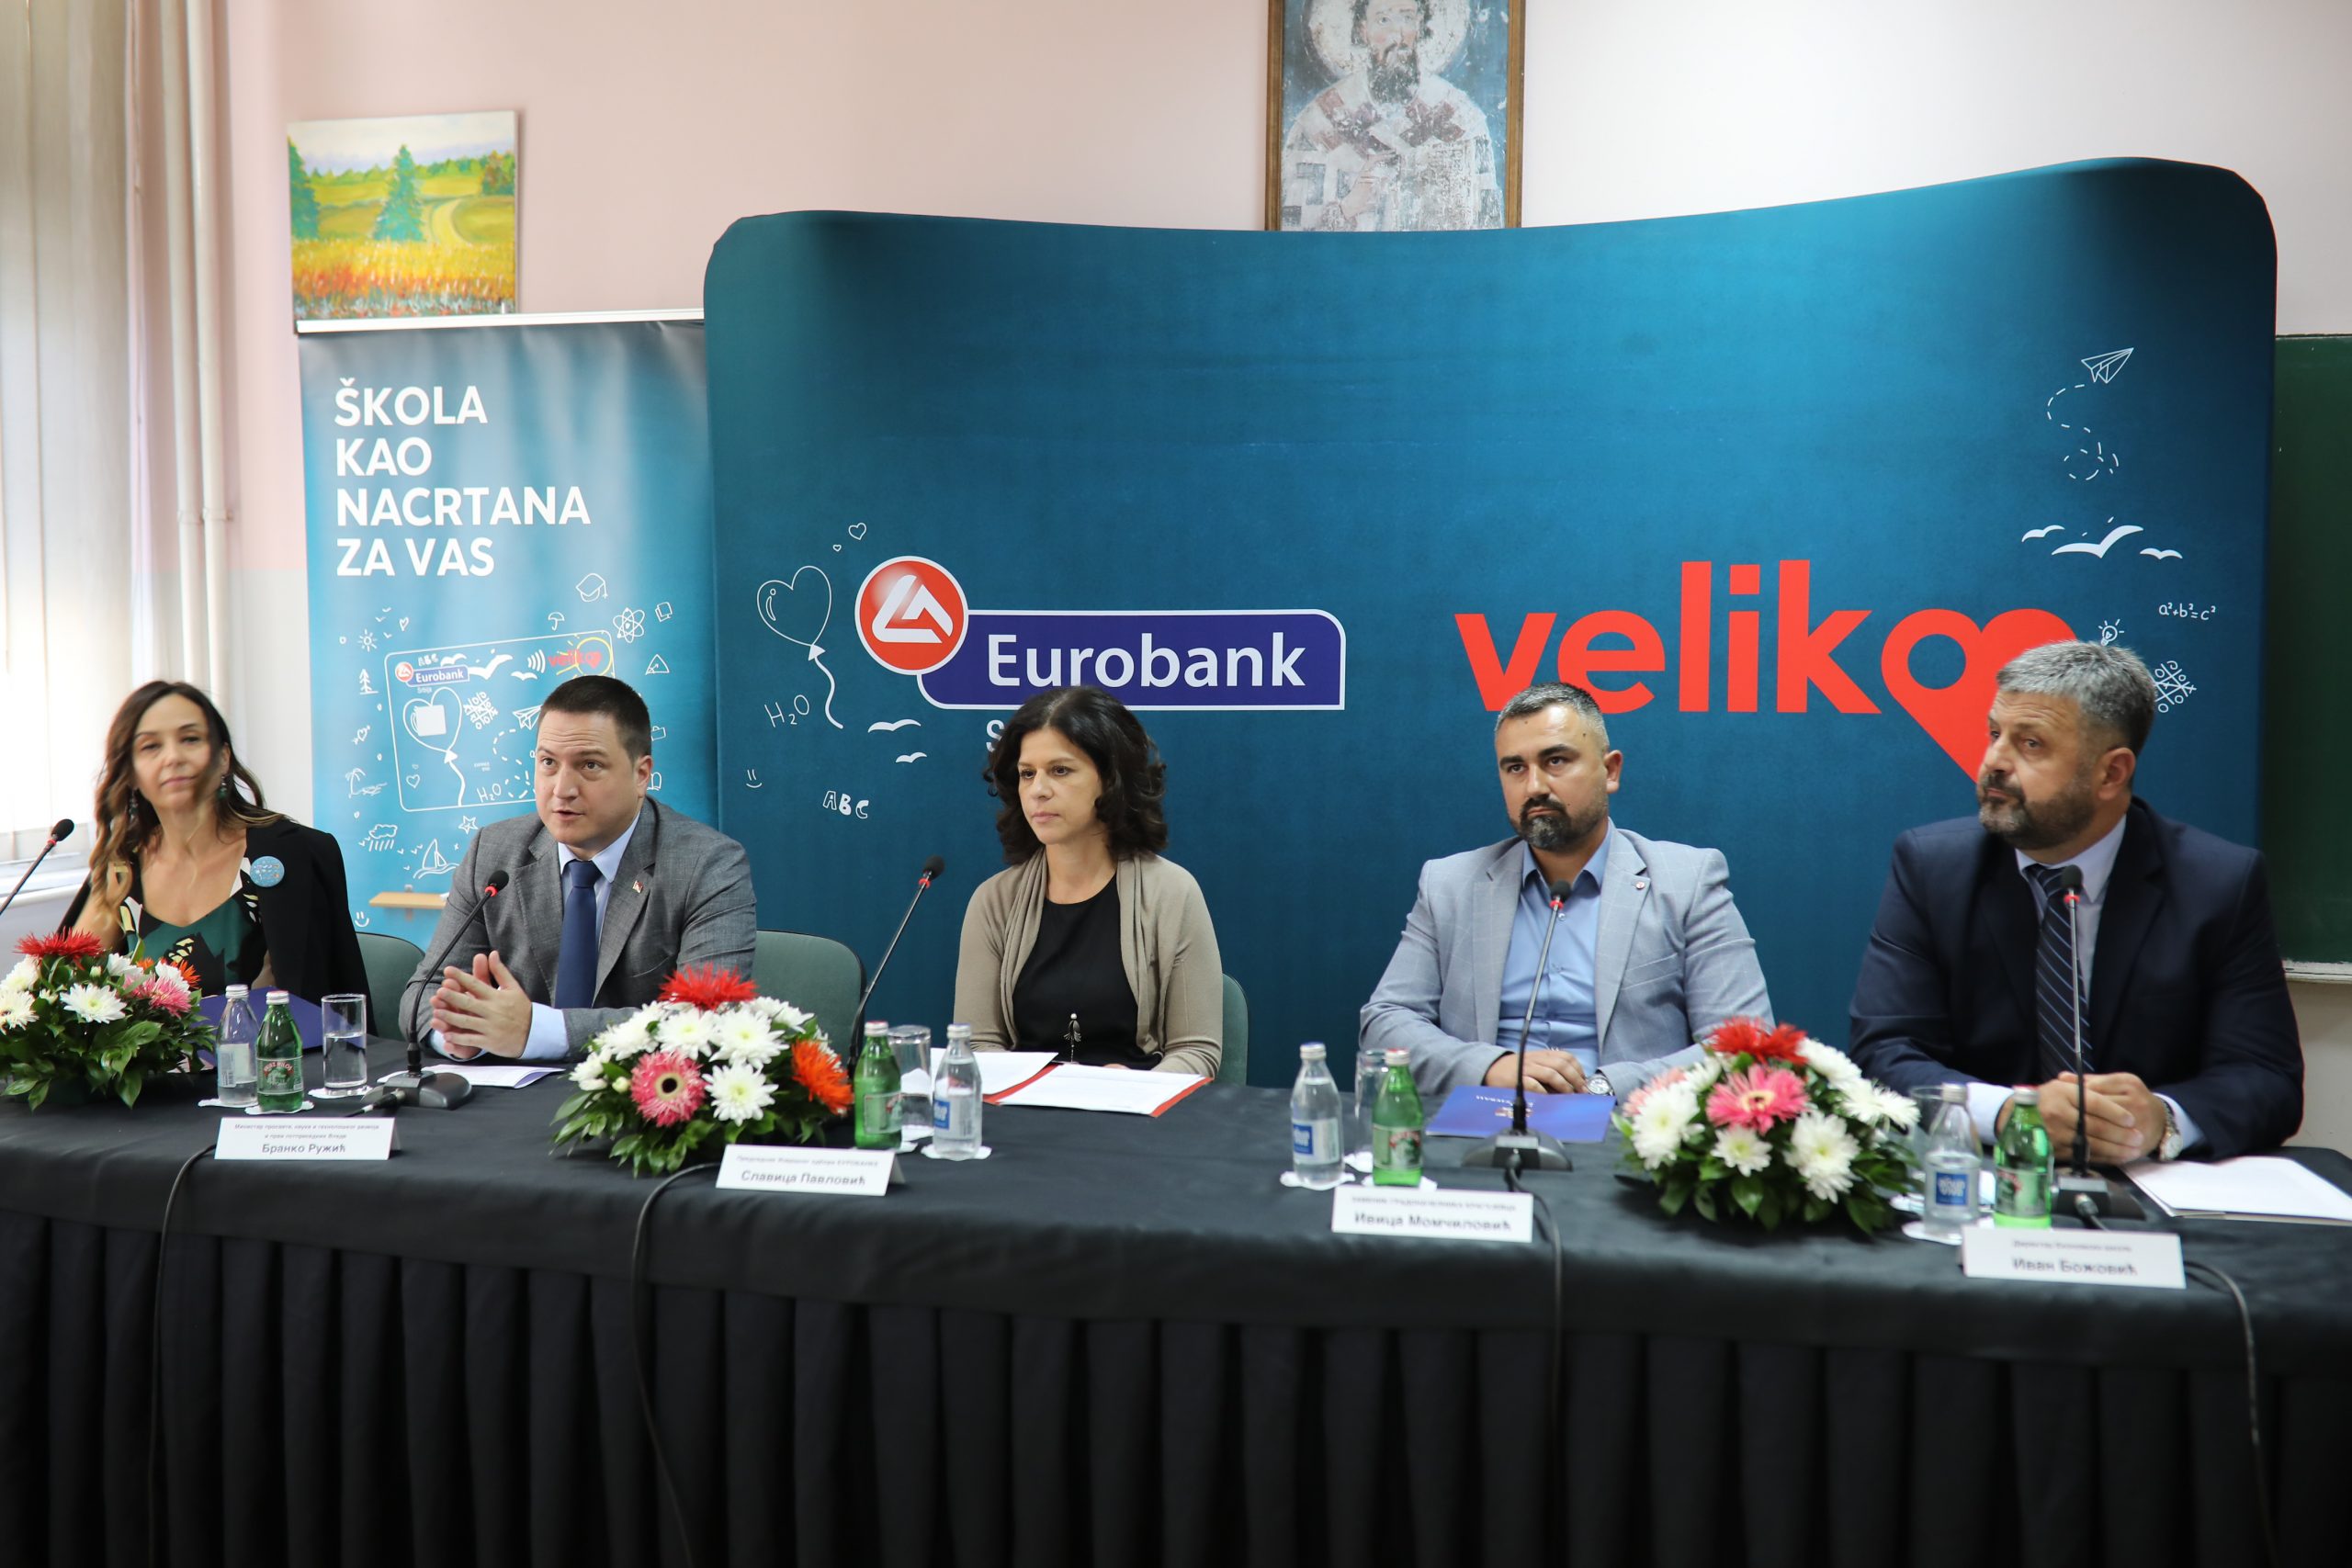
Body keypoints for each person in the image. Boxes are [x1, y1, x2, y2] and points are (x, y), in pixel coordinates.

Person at [1849, 640, 2301, 1162]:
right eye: (1995, 734)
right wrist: (2011, 1113)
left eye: (2031, 744)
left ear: (2111, 773)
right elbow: (1884, 1052)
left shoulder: (2218, 884)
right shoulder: (1933, 869)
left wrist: (2161, 1118)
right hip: (1980, 1177)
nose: (1994, 762)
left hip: (2148, 1183)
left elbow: (2266, 1078)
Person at [1362, 682, 1772, 1102]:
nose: (1534, 787)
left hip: (1624, 1125)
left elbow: (1746, 1044)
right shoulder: (1450, 884)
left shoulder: (1686, 882)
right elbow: (1385, 1022)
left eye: (1555, 761)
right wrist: (1489, 1067)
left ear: (1610, 771)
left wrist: (1604, 1089)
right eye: (1515, 768)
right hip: (1485, 1119)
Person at [399, 675, 755, 1061]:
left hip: (639, 1091)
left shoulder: (707, 864)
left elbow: (706, 1020)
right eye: (548, 763)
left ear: (641, 775)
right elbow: (423, 994)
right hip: (510, 1091)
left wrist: (537, 1031)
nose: (562, 789)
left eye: (589, 765)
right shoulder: (494, 852)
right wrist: (461, 1033)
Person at [953, 687, 1222, 1077]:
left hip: (1138, 1106)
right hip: (1023, 1107)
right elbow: (977, 1045)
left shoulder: (1172, 894)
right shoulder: (994, 901)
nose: (1038, 790)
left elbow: (1197, 1051)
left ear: (1109, 779)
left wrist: (1134, 1090)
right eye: (1027, 773)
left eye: (1060, 770)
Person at [62, 681, 366, 1001]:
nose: (173, 757)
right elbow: (65, 992)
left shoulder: (287, 854)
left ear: (223, 757)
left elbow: (310, 999)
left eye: (190, 739)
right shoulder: (123, 868)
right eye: (151, 747)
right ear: (132, 774)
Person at [1278, 0, 1503, 232]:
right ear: (1363, 30)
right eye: (1383, 20)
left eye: (1407, 18)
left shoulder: (1461, 119)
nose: (1398, 36)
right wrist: (1348, 207)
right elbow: (1293, 235)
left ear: (1420, 25)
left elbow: (1486, 228)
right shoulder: (1319, 122)